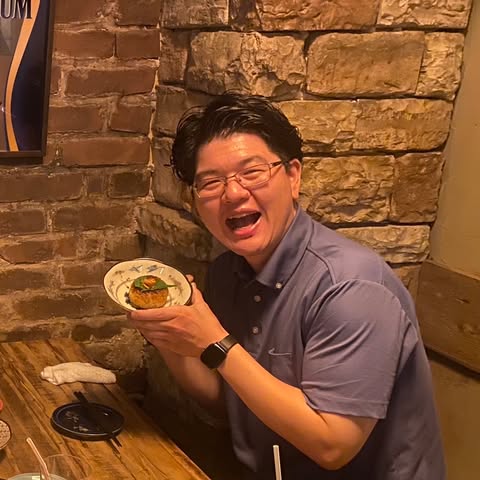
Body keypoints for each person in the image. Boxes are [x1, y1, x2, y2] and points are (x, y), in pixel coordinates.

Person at [128, 93, 446, 479]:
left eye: (252, 172)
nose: (233, 193)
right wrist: (170, 339)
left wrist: (215, 342)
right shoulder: (228, 272)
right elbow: (227, 403)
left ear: (293, 176)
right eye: (210, 182)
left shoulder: (351, 288)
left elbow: (333, 445)